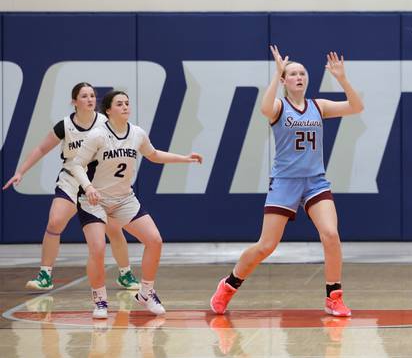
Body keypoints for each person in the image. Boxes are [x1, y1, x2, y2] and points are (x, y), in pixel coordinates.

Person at [210, 47, 364, 317]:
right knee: (266, 246)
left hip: (315, 182)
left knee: (330, 235)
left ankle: (334, 296)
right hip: (285, 182)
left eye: (302, 73)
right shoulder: (280, 106)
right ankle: (229, 285)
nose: (299, 76)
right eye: (292, 74)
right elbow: (265, 108)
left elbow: (356, 107)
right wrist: (276, 73)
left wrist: (342, 79)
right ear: (284, 81)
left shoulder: (319, 106)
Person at [64, 90, 203, 319]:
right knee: (98, 249)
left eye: (127, 103)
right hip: (94, 201)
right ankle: (100, 300)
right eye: (119, 104)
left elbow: (154, 154)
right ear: (108, 110)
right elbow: (77, 164)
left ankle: (146, 293)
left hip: (124, 199)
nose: (125, 107)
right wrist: (88, 187)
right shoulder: (97, 135)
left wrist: (184, 158)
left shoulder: (137, 133)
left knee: (155, 240)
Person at [2, 82, 139, 292]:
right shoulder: (65, 125)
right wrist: (21, 171)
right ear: (74, 102)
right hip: (71, 180)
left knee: (113, 229)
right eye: (84, 96)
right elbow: (41, 148)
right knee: (55, 221)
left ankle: (125, 273)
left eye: (92, 95)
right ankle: (45, 274)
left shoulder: (105, 122)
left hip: (99, 182)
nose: (90, 99)